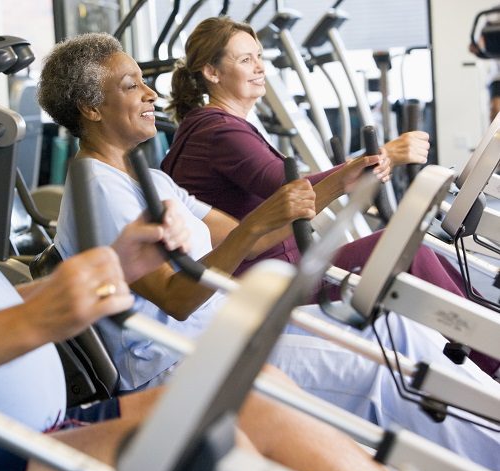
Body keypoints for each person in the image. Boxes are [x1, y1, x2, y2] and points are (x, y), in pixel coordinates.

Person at [0, 1, 399, 471]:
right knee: (231, 432)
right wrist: (46, 312)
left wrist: (116, 267)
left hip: (22, 429)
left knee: (264, 394)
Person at [39, 31, 500, 471]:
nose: (150, 95)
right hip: (183, 361)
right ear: (90, 108)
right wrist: (260, 222)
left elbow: (246, 235)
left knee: (400, 328)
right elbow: (177, 299)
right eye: (131, 85)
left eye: (144, 81)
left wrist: (342, 180)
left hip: (234, 334)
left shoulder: (153, 181)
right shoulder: (97, 187)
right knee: (380, 377)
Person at [160, 16, 499, 378]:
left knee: (416, 251)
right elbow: (286, 188)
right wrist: (383, 154)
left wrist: (366, 163)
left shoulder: (217, 124)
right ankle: (492, 361)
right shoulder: (217, 130)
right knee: (406, 251)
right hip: (264, 282)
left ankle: (489, 344)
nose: (260, 67)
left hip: (281, 267)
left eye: (259, 56)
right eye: (246, 60)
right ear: (211, 71)